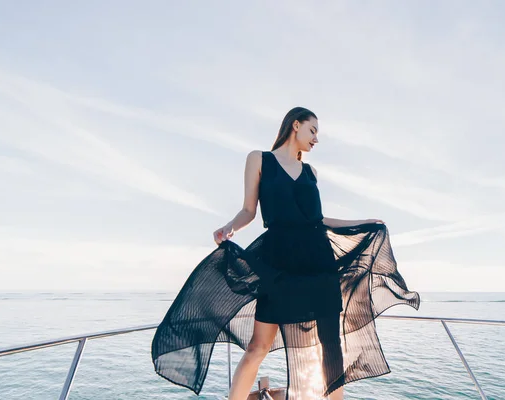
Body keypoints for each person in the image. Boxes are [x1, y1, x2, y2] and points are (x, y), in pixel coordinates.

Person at [151, 107, 420, 400]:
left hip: (318, 262)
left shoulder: (310, 172)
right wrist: (229, 228)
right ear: (295, 125)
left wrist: (363, 223)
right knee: (258, 346)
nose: (316, 138)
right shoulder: (259, 160)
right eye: (313, 130)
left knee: (330, 344)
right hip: (277, 262)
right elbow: (249, 210)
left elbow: (318, 220)